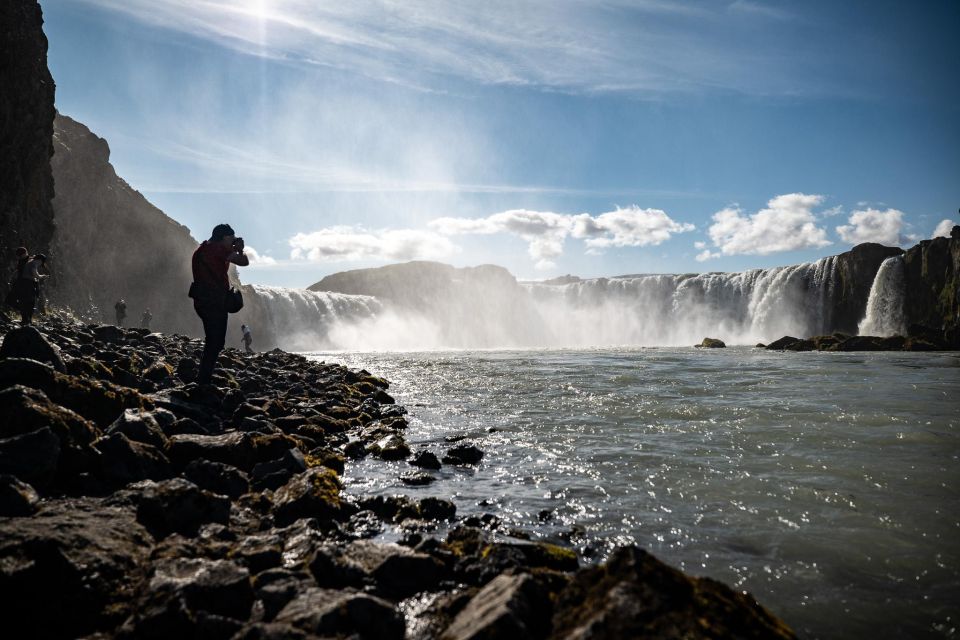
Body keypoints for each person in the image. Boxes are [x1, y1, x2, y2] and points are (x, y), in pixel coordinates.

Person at [190, 223, 248, 385]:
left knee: (212, 339)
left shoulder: (201, 250)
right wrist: (240, 249)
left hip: (201, 300)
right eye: (232, 238)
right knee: (216, 341)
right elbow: (244, 262)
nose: (233, 241)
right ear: (224, 237)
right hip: (215, 300)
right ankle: (203, 380)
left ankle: (203, 376)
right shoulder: (219, 249)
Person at [8, 249, 46, 325]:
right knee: (27, 302)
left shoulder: (30, 261)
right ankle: (26, 319)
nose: (40, 264)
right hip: (25, 284)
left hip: (26, 283)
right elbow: (34, 274)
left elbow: (33, 273)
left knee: (26, 302)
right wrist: (43, 276)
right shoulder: (31, 262)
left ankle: (26, 319)